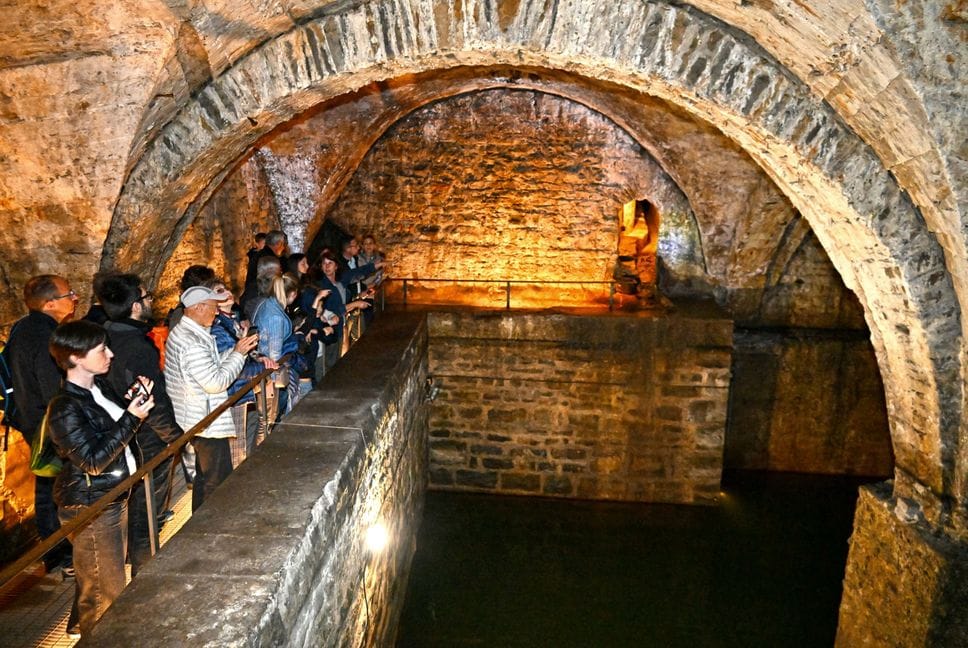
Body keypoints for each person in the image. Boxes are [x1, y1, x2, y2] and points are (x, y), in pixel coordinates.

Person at [46, 320, 155, 637]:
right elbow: (93, 461)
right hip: (93, 506)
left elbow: (112, 427)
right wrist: (132, 417)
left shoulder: (98, 387)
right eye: (101, 349)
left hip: (113, 495)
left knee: (96, 575)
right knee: (106, 590)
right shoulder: (64, 408)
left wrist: (133, 401)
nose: (110, 354)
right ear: (76, 357)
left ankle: (85, 624)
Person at [98, 273, 184, 577]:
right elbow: (152, 400)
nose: (150, 301)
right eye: (147, 297)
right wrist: (175, 439)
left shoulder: (107, 336)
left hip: (123, 433)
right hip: (146, 437)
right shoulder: (136, 347)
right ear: (135, 305)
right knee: (146, 509)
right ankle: (145, 572)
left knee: (135, 506)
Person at [5, 275, 79, 575]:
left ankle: (56, 551)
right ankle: (61, 552)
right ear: (50, 304)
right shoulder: (45, 336)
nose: (74, 298)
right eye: (68, 294)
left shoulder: (24, 327)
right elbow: (52, 387)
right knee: (55, 488)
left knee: (48, 485)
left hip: (31, 418)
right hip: (45, 422)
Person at [164, 286, 259, 511]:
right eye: (213, 308)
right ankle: (211, 525)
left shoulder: (188, 332)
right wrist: (239, 354)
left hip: (196, 416)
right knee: (216, 481)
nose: (216, 313)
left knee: (204, 478)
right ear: (197, 308)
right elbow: (216, 383)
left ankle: (199, 520)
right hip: (206, 420)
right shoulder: (192, 342)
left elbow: (210, 366)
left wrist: (235, 350)